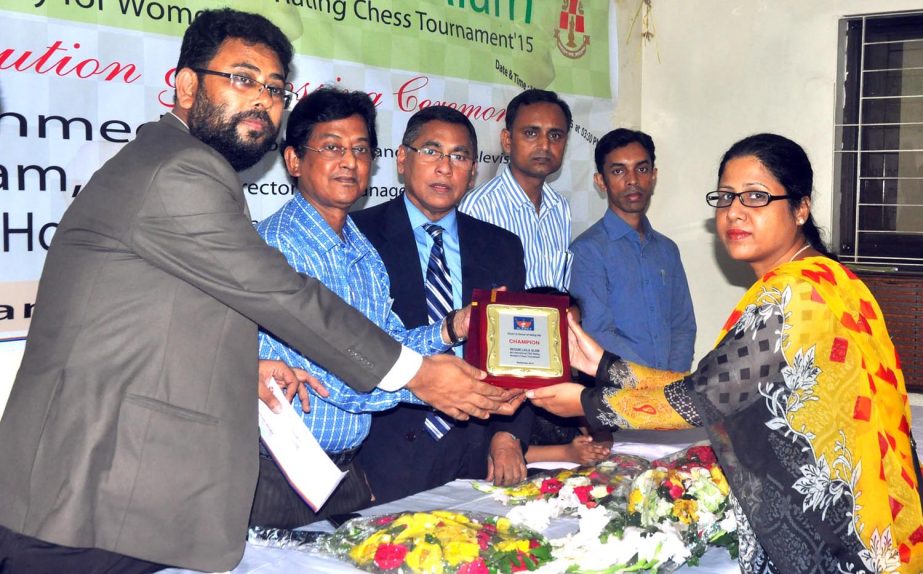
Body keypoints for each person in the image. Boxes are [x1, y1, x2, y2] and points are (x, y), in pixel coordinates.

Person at [0, 10, 515, 573]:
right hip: (86, 490)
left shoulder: (187, 169)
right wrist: (417, 374)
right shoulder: (180, 170)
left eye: (274, 88)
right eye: (242, 79)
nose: (262, 100)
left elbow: (154, 319)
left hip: (127, 492)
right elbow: (282, 296)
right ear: (186, 83)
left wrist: (244, 365)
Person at [529, 134, 923, 573]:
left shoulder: (793, 294)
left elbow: (702, 399)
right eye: (727, 197)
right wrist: (604, 366)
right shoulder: (831, 279)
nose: (734, 211)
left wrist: (586, 402)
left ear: (801, 207)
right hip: (870, 517)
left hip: (835, 537)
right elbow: (720, 385)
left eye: (756, 196)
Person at [249, 88, 476, 527]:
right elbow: (335, 376)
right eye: (332, 147)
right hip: (277, 473)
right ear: (294, 161)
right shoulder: (277, 248)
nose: (349, 162)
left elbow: (384, 346)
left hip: (346, 472)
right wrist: (436, 385)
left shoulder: (361, 247)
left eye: (361, 149)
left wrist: (450, 329)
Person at [352, 106, 534, 503]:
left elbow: (517, 356)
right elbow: (352, 348)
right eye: (431, 152)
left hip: (477, 449)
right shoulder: (358, 237)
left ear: (472, 173)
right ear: (402, 159)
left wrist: (508, 435)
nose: (444, 167)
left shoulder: (501, 246)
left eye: (459, 156)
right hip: (380, 456)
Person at [569, 129, 696, 372]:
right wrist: (651, 381)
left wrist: (671, 382)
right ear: (601, 181)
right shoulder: (587, 251)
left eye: (642, 169)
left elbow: (683, 325)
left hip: (668, 391)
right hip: (612, 393)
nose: (632, 180)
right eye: (618, 171)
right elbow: (597, 332)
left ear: (654, 176)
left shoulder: (668, 250)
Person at [459, 89, 573, 291]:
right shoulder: (479, 207)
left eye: (555, 135)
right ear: (507, 141)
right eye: (531, 133)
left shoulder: (560, 207)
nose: (545, 145)